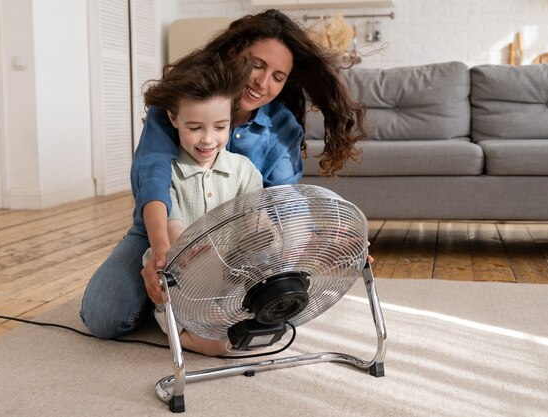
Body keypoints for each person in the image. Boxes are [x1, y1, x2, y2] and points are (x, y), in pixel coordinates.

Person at [80, 9, 367, 339]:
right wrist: (161, 254)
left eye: (278, 75)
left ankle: (189, 308)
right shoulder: (181, 99)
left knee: (266, 294)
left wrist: (330, 240)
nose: (262, 82)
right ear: (234, 53)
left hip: (238, 241)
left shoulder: (282, 127)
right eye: (257, 65)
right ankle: (165, 303)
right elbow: (152, 174)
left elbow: (285, 201)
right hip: (164, 231)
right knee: (104, 316)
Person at [141, 52, 262, 356]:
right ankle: (187, 333)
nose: (208, 140)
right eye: (195, 128)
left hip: (232, 269)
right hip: (183, 272)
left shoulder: (244, 170)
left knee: (259, 281)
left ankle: (231, 316)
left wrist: (266, 233)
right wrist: (186, 248)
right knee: (216, 340)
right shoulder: (168, 173)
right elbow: (173, 226)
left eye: (219, 127)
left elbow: (255, 218)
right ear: (173, 118)